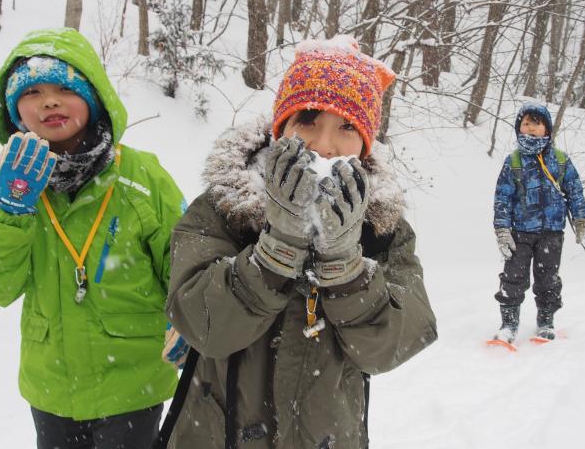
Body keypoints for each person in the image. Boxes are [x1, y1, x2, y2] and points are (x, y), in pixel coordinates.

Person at [165, 36, 437, 448]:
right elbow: (201, 324)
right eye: (308, 120)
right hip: (217, 432)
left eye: (347, 126)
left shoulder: (383, 229)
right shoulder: (224, 207)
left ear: (366, 142)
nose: (324, 145)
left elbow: (392, 344)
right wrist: (275, 251)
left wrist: (346, 268)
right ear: (282, 128)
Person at [0, 28, 186, 448]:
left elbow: (184, 257)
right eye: (32, 92)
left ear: (94, 98)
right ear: (14, 112)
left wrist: (189, 317)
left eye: (66, 87)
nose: (49, 101)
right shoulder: (8, 183)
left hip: (133, 380)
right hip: (52, 385)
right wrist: (11, 209)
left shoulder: (141, 175)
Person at [492, 103, 585, 345]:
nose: (529, 128)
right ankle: (508, 324)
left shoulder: (560, 160)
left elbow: (575, 192)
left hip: (551, 233)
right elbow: (502, 197)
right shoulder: (513, 161)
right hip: (520, 232)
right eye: (525, 123)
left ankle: (546, 321)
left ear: (547, 129)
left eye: (535, 123)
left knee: (547, 279)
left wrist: (581, 221)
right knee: (512, 278)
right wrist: (502, 230)